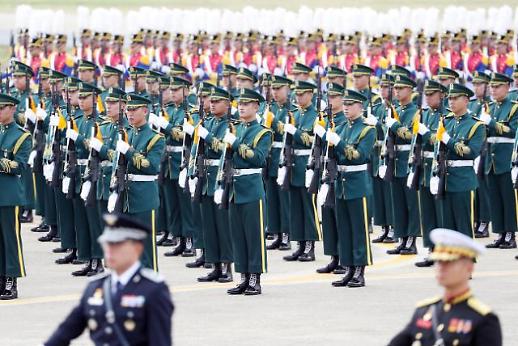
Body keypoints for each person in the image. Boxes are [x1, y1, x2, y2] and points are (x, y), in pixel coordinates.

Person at [44, 213, 174, 346]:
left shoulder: (153, 290)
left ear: (137, 248)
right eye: (107, 244)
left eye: (117, 245)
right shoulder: (95, 287)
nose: (109, 251)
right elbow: (66, 331)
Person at [388, 228, 502, 346]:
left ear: (469, 268)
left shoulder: (483, 319)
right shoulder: (424, 311)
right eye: (439, 261)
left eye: (449, 262)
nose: (441, 268)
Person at [222, 88, 272, 295]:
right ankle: (242, 276)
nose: (241, 107)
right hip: (234, 187)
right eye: (239, 104)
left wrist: (236, 144)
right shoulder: (236, 129)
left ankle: (254, 278)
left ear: (256, 107)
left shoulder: (263, 132)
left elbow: (258, 158)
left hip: (251, 187)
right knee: (238, 235)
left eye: (246, 104)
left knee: (253, 235)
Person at [325, 89, 375, 287]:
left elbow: (359, 155)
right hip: (341, 183)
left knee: (358, 229)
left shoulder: (367, 129)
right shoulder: (341, 127)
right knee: (344, 228)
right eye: (344, 104)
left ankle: (360, 270)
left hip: (357, 183)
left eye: (350, 104)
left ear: (360, 107)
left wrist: (339, 143)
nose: (345, 108)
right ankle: (348, 268)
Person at [0, 93, 32, 300]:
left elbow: (19, 166)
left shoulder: (21, 136)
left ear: (12, 109)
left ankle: (12, 279)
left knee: (10, 239)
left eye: (2, 108)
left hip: (9, 194)